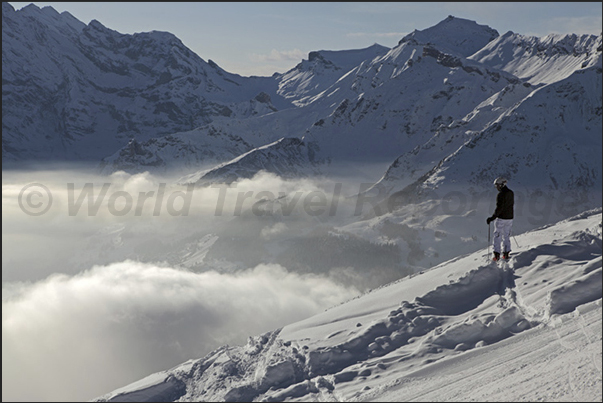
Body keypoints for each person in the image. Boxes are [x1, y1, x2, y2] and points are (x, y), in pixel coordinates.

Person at [486, 177, 514, 261]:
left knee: (497, 235)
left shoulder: (501, 194)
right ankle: (506, 253)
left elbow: (499, 208)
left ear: (502, 184)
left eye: (497, 185)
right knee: (506, 235)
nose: (497, 187)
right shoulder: (511, 193)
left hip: (501, 218)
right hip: (510, 218)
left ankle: (496, 254)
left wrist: (492, 218)